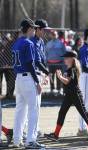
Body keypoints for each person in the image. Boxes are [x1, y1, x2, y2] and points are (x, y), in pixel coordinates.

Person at [44, 51, 88, 141]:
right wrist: (61, 76)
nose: (65, 59)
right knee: (62, 112)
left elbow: (67, 81)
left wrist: (59, 77)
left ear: (72, 59)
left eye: (66, 58)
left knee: (83, 112)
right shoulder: (69, 69)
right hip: (69, 95)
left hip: (75, 94)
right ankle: (56, 134)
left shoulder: (73, 69)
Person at [12, 18, 45, 149]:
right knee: (33, 110)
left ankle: (16, 139)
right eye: (33, 28)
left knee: (20, 111)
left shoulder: (16, 43)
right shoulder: (28, 43)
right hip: (28, 78)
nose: (34, 30)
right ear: (29, 29)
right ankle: (31, 141)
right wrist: (37, 82)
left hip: (19, 78)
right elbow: (30, 64)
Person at [30, 19, 50, 137]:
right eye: (43, 29)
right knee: (32, 106)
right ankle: (30, 131)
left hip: (39, 74)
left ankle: (35, 129)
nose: (45, 32)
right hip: (33, 75)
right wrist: (46, 72)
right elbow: (36, 62)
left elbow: (43, 59)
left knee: (37, 105)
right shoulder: (32, 41)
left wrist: (45, 74)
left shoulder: (41, 41)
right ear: (37, 29)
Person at [77, 28, 88, 136]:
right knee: (85, 102)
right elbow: (85, 66)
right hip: (86, 76)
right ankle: (81, 128)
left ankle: (85, 126)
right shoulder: (84, 49)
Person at [0, 33, 16, 98]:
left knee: (10, 80)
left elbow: (11, 56)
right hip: (1, 66)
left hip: (9, 66)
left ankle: (9, 94)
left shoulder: (10, 45)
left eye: (6, 40)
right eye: (3, 40)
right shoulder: (0, 46)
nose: (5, 41)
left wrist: (8, 64)